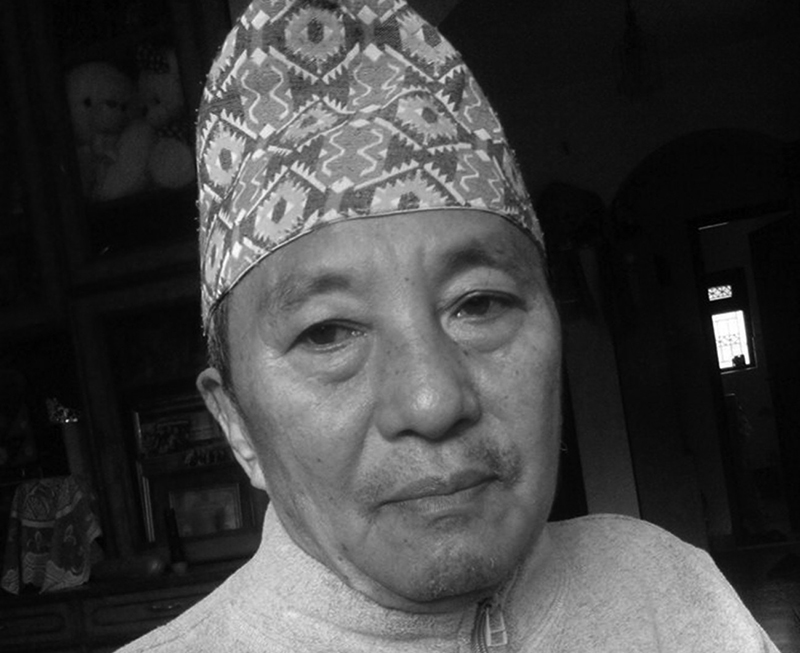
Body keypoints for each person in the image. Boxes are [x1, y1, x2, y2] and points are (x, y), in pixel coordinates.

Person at [118, 0, 779, 650]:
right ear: (236, 423)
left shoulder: (671, 590)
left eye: (479, 303)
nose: (433, 401)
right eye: (327, 333)